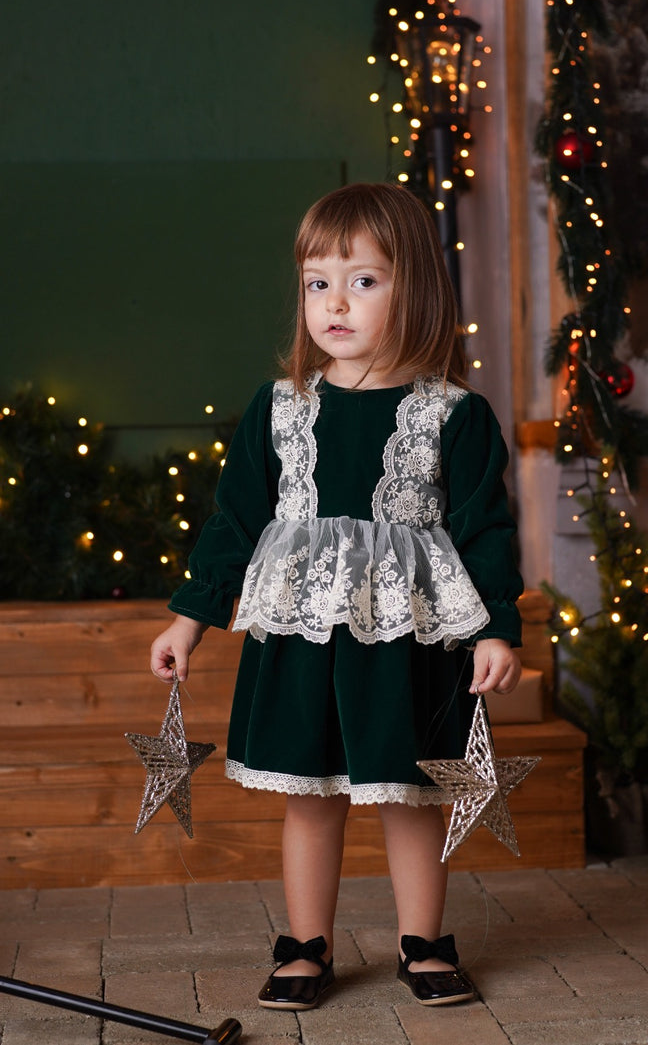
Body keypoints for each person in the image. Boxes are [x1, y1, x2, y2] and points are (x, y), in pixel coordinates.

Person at [150, 182, 523, 1011]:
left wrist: (499, 628)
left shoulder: (453, 415)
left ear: (415, 287)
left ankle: (422, 942)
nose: (336, 303)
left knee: (411, 794)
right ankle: (304, 945)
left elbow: (485, 528)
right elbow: (235, 520)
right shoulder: (281, 409)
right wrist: (190, 619)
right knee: (310, 797)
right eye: (319, 283)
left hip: (408, 640)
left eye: (363, 280)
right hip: (303, 640)